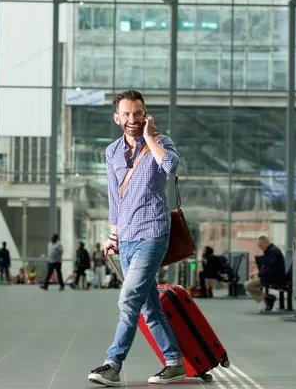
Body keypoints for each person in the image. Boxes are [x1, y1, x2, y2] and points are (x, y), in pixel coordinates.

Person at [88, 90, 185, 387]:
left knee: (129, 299)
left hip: (153, 233)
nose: (133, 119)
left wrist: (151, 137)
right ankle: (174, 362)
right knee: (147, 305)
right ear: (117, 118)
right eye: (127, 114)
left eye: (138, 113)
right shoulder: (112, 151)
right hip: (127, 237)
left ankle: (112, 363)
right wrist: (112, 235)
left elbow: (170, 167)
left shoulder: (161, 142)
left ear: (146, 115)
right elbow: (114, 196)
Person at [243, 236, 285, 311]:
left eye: (260, 245)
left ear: (265, 242)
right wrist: (257, 274)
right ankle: (267, 298)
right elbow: (267, 268)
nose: (260, 248)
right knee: (247, 284)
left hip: (273, 277)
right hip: (271, 276)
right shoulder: (270, 251)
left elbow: (271, 268)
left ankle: (267, 298)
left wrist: (258, 275)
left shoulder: (273, 252)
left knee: (248, 285)